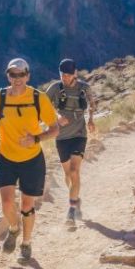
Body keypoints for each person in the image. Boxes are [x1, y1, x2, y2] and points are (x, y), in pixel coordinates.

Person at [0, 58, 60, 263]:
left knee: (27, 205)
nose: (17, 79)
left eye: (21, 74)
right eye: (12, 74)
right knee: (7, 202)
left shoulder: (38, 98)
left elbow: (55, 129)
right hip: (6, 157)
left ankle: (26, 243)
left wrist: (35, 138)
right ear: (8, 75)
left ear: (28, 75)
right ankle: (14, 228)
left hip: (32, 159)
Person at [44, 58, 98, 224]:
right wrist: (57, 117)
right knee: (68, 175)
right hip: (61, 137)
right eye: (62, 75)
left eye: (68, 75)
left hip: (79, 134)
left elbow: (92, 104)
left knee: (74, 171)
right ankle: (76, 198)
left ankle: (72, 209)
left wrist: (90, 120)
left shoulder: (84, 88)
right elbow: (42, 106)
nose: (65, 78)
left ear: (75, 73)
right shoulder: (55, 88)